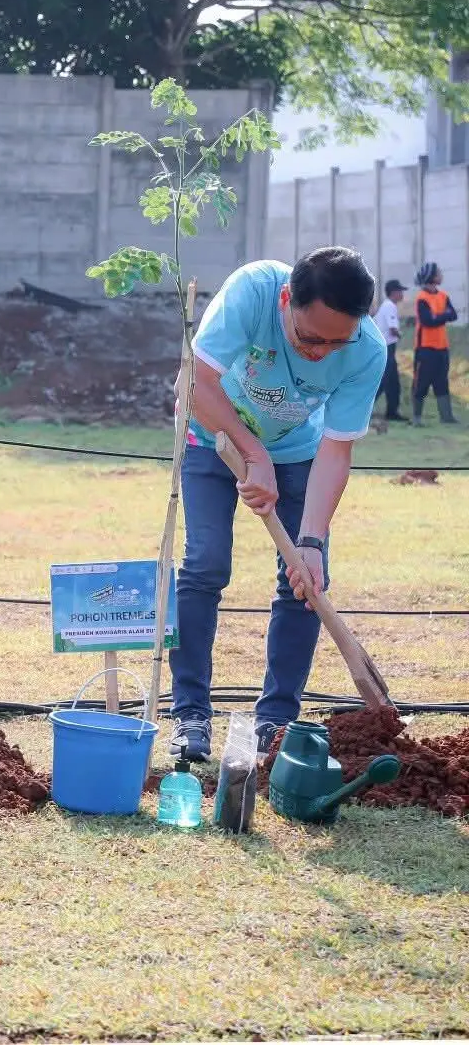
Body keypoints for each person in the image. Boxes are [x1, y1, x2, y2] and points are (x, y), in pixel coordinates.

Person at [168, 247, 386, 763]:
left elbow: (336, 447)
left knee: (306, 580)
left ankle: (277, 722)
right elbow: (192, 382)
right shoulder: (253, 291)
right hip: (210, 435)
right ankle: (190, 714)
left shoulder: (367, 350)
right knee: (205, 566)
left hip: (298, 455)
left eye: (339, 341)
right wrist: (252, 451)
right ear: (288, 299)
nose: (322, 353)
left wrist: (309, 541)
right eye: (311, 337)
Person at [411, 261, 458, 426]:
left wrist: (439, 316)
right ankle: (416, 418)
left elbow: (454, 315)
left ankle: (447, 417)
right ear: (432, 277)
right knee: (421, 382)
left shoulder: (443, 295)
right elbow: (428, 321)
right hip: (425, 348)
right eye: (438, 272)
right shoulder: (421, 298)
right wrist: (443, 315)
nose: (441, 275)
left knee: (442, 381)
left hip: (442, 347)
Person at [374, 278, 406, 422]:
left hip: (386, 348)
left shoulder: (388, 306)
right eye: (400, 291)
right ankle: (361, 410)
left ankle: (392, 412)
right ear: (394, 292)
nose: (402, 294)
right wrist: (401, 334)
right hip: (386, 348)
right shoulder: (389, 306)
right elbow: (393, 330)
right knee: (383, 381)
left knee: (393, 382)